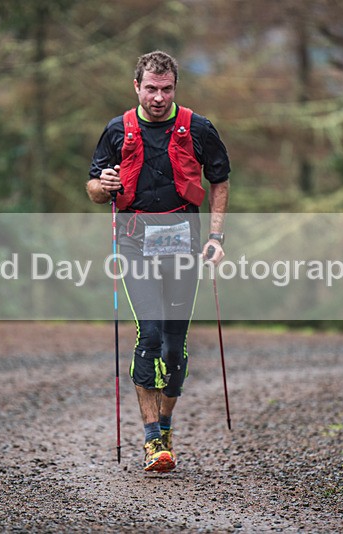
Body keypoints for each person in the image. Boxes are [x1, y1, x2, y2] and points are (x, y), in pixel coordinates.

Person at [87, 51, 230, 472]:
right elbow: (94, 188)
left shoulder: (198, 127)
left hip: (184, 243)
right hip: (133, 244)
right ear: (137, 87)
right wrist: (103, 184)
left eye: (166, 89)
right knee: (148, 335)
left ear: (175, 87)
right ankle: (153, 440)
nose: (158, 97)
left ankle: (165, 423)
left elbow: (219, 180)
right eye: (151, 88)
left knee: (175, 347)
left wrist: (218, 237)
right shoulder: (117, 130)